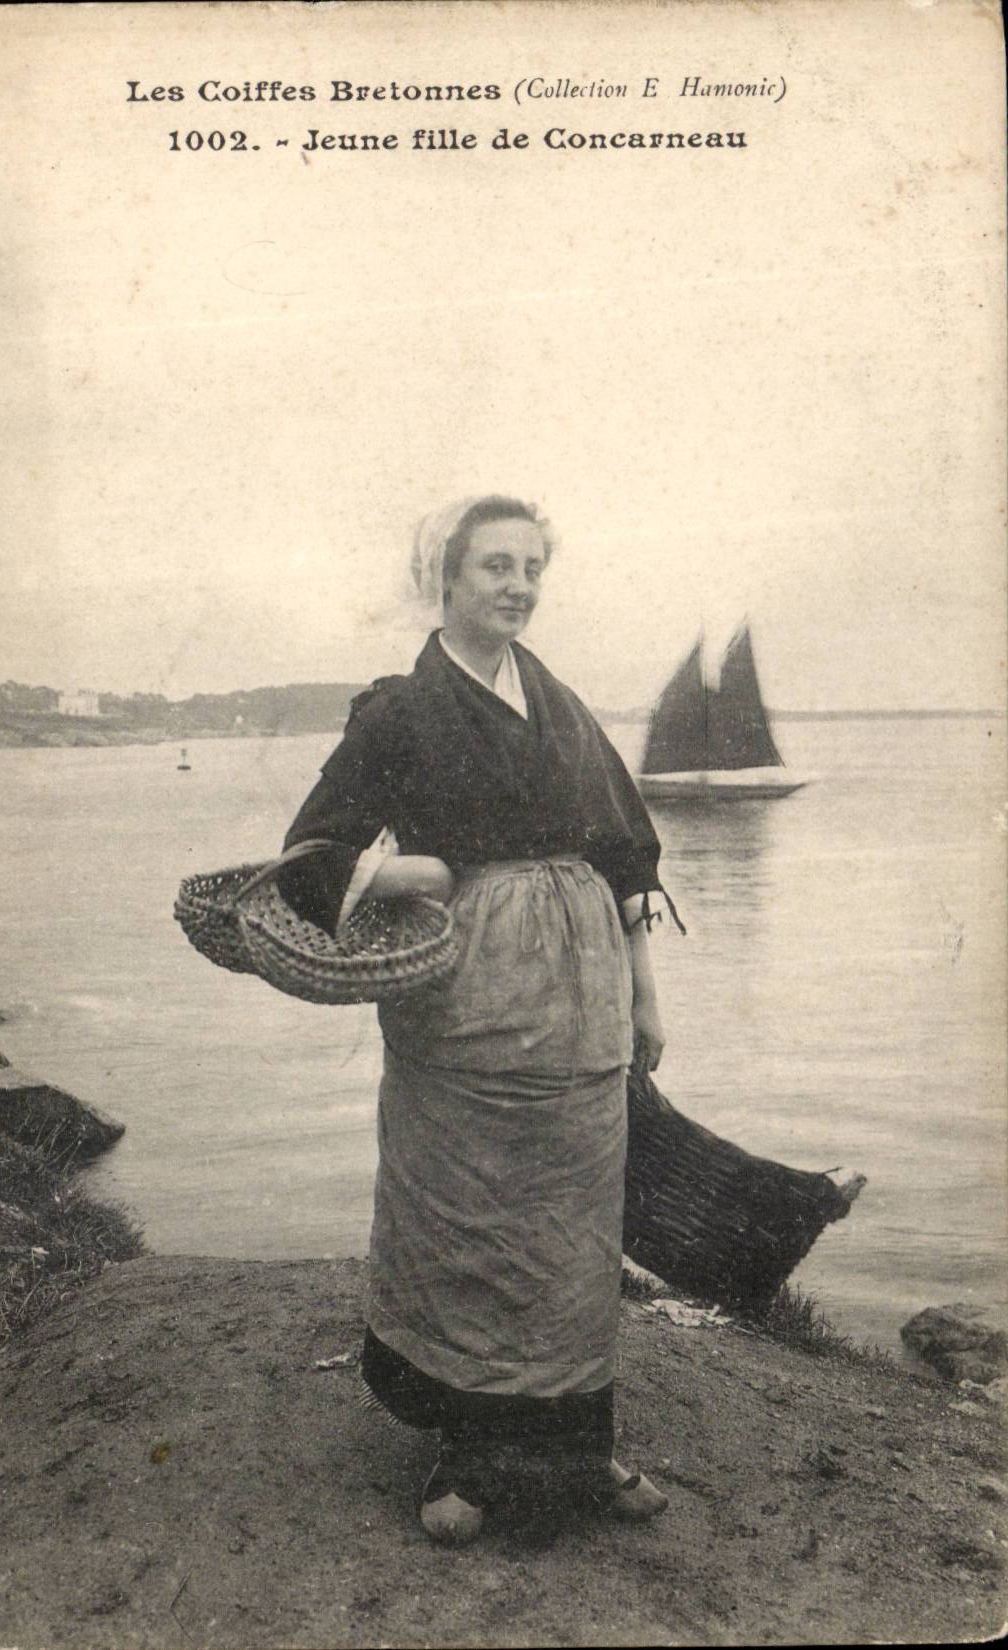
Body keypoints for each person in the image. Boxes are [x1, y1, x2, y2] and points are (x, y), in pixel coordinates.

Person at [279, 495, 673, 1544]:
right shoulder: (399, 713)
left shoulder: (565, 706)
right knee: (469, 1214)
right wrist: (426, 868)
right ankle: (469, 1452)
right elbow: (311, 857)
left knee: (573, 1224)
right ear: (444, 578)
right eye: (495, 565)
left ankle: (581, 1451)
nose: (518, 586)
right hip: (466, 1000)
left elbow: (626, 854)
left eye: (533, 568)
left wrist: (644, 988)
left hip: (583, 996)